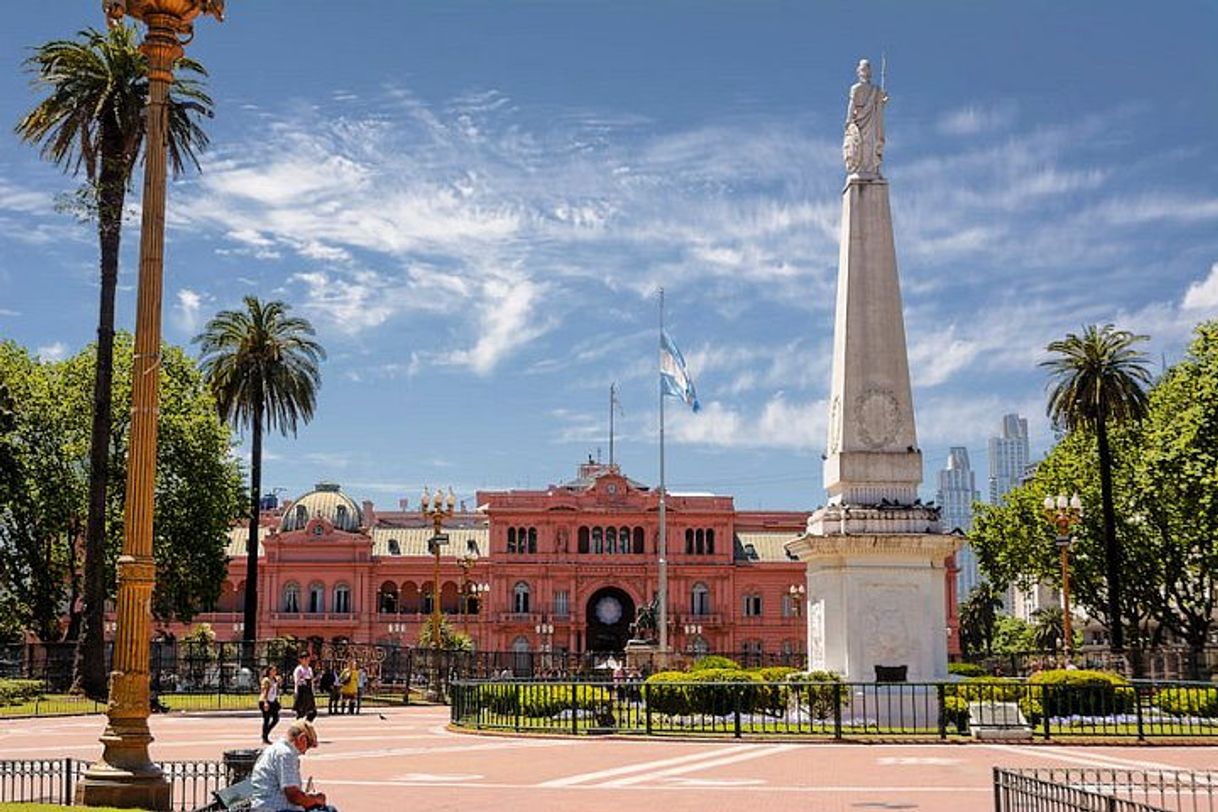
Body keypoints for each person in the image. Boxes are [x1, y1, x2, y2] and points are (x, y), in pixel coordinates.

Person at [248, 719, 337, 812]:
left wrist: (309, 798)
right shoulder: (286, 754)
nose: (305, 752)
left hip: (266, 806)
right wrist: (315, 799)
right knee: (329, 810)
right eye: (308, 746)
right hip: (275, 808)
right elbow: (293, 796)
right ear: (302, 739)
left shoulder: (276, 749)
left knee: (328, 809)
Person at [843, 57, 888, 177]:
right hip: (859, 121)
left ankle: (871, 169)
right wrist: (849, 121)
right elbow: (851, 104)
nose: (865, 72)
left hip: (871, 121)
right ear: (859, 71)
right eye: (863, 69)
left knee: (870, 145)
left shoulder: (876, 90)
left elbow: (877, 107)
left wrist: (882, 102)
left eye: (867, 69)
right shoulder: (855, 88)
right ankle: (860, 169)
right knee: (859, 145)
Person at [259, 665, 282, 744]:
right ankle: (265, 737)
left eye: (275, 670)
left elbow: (276, 689)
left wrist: (279, 682)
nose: (274, 672)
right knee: (266, 719)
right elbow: (264, 691)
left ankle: (265, 733)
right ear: (269, 671)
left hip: (273, 701)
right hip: (266, 701)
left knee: (276, 718)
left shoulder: (275, 679)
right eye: (273, 670)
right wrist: (265, 702)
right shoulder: (266, 680)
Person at [292, 652, 317, 722]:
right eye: (305, 659)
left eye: (308, 658)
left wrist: (313, 690)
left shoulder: (309, 669)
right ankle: (299, 727)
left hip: (308, 691)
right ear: (301, 660)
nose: (307, 660)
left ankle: (306, 724)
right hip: (301, 690)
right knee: (301, 712)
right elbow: (296, 681)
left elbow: (311, 680)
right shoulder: (299, 669)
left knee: (313, 712)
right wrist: (296, 691)